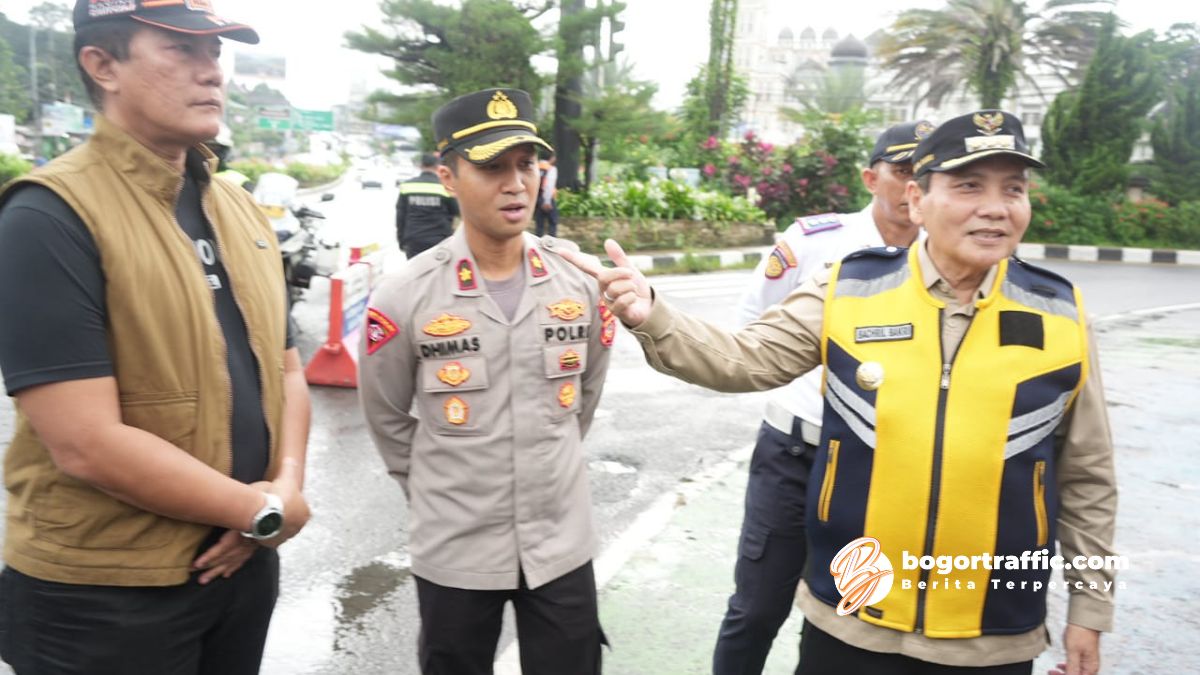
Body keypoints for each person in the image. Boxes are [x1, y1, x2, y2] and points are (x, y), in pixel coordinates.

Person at [560, 110, 1117, 675]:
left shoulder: (1061, 314)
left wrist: (1090, 609)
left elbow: (1088, 475)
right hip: (852, 618)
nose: (996, 207)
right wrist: (651, 313)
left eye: (1013, 189)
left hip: (992, 634)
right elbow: (745, 358)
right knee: (755, 611)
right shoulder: (851, 288)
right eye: (970, 186)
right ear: (918, 201)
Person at [0, 2, 312, 673]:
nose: (212, 72)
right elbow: (86, 443)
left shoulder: (238, 207)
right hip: (102, 593)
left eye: (216, 53)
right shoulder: (48, 215)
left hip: (241, 565)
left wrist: (283, 489)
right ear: (102, 65)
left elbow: (286, 371)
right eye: (181, 49)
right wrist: (261, 510)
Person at [359, 88, 614, 675]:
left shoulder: (578, 284)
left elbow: (584, 400)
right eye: (493, 168)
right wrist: (441, 486)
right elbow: (386, 416)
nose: (516, 184)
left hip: (560, 540)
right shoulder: (405, 295)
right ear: (448, 177)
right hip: (456, 542)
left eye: (526, 164)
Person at [715, 120, 933, 675]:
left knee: (845, 619)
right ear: (870, 178)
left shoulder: (945, 259)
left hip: (879, 467)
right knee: (756, 609)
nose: (914, 185)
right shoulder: (816, 241)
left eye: (927, 173)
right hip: (795, 454)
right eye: (902, 170)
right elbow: (752, 326)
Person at [397, 152, 459, 258]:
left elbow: (400, 217)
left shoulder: (407, 186)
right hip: (439, 240)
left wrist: (401, 240)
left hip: (414, 239)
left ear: (421, 166)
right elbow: (457, 211)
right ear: (437, 166)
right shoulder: (444, 186)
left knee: (416, 268)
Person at [535, 154, 558, 237]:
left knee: (539, 223)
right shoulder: (551, 168)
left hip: (536, 198)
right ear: (551, 157)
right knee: (552, 222)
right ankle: (551, 241)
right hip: (548, 198)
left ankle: (538, 240)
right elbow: (548, 185)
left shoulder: (535, 167)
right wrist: (547, 201)